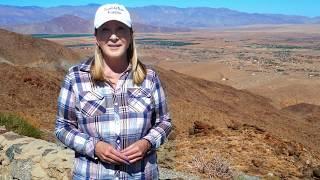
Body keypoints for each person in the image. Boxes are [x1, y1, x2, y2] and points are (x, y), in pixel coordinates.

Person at [55, 3, 172, 179]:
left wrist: (147, 143)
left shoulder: (149, 78)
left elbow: (164, 122)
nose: (113, 37)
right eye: (105, 30)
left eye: (120, 29)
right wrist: (93, 146)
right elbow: (62, 127)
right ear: (96, 37)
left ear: (131, 35)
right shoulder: (76, 78)